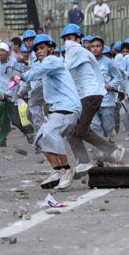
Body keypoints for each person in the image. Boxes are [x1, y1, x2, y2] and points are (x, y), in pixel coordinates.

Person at [60, 24, 123, 175]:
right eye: (66, 39)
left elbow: (63, 70)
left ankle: (111, 150)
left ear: (78, 39)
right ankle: (85, 161)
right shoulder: (76, 52)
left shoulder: (76, 50)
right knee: (73, 130)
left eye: (71, 38)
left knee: (78, 130)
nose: (68, 42)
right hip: (86, 95)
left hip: (90, 95)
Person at [22, 34, 81, 191]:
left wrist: (23, 75)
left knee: (50, 134)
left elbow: (35, 72)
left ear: (51, 49)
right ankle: (57, 171)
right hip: (58, 109)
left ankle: (67, 170)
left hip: (67, 107)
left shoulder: (52, 61)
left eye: (42, 48)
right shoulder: (46, 66)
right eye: (36, 50)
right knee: (41, 139)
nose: (39, 52)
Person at [89, 38, 119, 140]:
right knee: (94, 125)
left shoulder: (108, 62)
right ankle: (100, 147)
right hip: (91, 98)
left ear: (102, 47)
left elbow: (117, 77)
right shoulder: (87, 63)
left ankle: (111, 137)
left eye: (98, 46)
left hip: (106, 99)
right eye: (92, 46)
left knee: (107, 126)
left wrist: (111, 85)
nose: (95, 49)